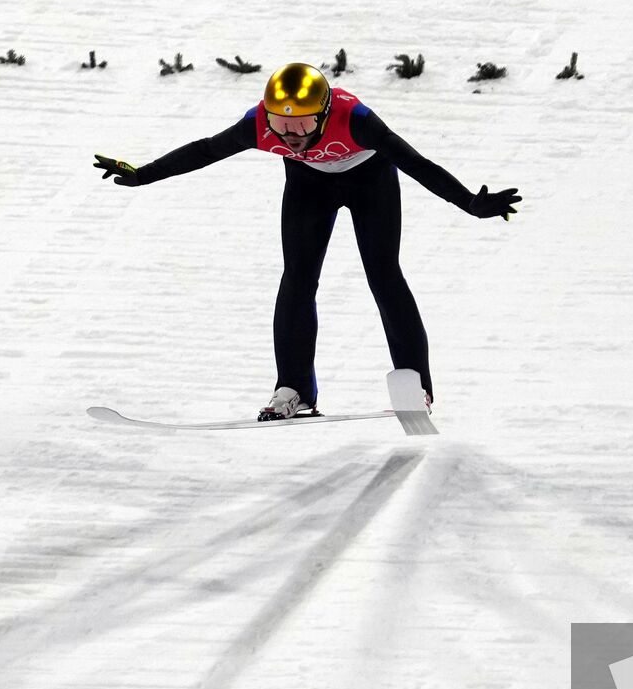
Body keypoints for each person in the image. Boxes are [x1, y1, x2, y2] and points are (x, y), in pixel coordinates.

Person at [92, 62, 520, 421]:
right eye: (280, 124)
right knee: (297, 280)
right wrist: (143, 173)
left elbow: (415, 163)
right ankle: (293, 388)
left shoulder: (357, 121)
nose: (289, 134)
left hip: (371, 181)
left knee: (384, 275)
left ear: (324, 113)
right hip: (308, 186)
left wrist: (468, 202)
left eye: (299, 124)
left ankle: (415, 386)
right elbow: (205, 150)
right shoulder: (258, 126)